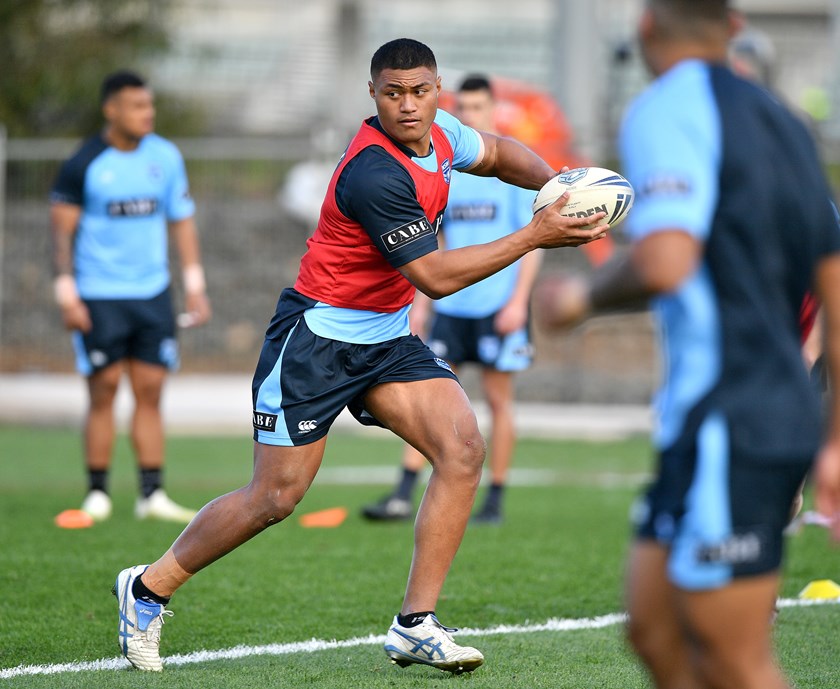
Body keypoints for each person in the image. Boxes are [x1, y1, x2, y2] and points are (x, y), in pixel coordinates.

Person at [112, 38, 609, 675]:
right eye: (393, 93)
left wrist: (560, 186)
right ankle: (148, 588)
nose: (408, 105)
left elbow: (501, 153)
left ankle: (416, 625)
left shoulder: (445, 133)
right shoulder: (375, 173)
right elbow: (433, 275)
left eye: (421, 91)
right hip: (315, 343)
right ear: (372, 95)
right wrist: (538, 233)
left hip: (386, 339)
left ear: (438, 91)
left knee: (461, 450)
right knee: (275, 497)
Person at [534, 2, 840, 688]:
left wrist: (581, 298)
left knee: (736, 657)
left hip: (734, 415)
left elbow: (668, 260)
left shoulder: (662, 110)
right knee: (656, 628)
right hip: (738, 415)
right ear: (733, 27)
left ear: (645, 29)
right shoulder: (786, 122)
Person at [362, 74, 540, 525]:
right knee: (431, 398)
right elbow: (433, 239)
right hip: (451, 303)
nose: (471, 116)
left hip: (498, 304)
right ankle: (404, 490)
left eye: (480, 108)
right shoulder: (449, 168)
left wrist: (518, 302)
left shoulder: (509, 171)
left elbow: (535, 242)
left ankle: (496, 497)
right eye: (466, 108)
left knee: (498, 400)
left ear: (493, 110)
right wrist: (422, 303)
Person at [50, 71, 211, 524]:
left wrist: (194, 283)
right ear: (112, 111)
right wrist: (67, 294)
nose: (148, 114)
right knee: (102, 390)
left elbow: (181, 220)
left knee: (152, 390)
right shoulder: (85, 162)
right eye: (138, 106)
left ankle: (151, 494)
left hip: (153, 293)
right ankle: (98, 492)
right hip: (98, 295)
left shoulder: (165, 156)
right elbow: (60, 234)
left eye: (150, 105)